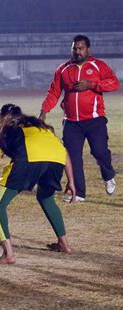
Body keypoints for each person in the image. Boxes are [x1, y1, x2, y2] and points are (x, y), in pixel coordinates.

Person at [0, 104, 76, 264]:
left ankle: (8, 254)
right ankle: (64, 245)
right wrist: (71, 181)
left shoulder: (2, 129)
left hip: (29, 159)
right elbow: (63, 152)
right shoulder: (40, 126)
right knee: (46, 197)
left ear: (2, 118)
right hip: (55, 160)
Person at [39, 35, 120, 202]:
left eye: (80, 48)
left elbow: (114, 83)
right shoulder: (63, 69)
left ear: (88, 50)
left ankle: (108, 175)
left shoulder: (98, 66)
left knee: (99, 151)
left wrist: (91, 85)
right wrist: (44, 111)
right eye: (74, 48)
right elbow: (54, 92)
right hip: (71, 122)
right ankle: (79, 193)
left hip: (94, 119)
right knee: (72, 157)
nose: (77, 51)